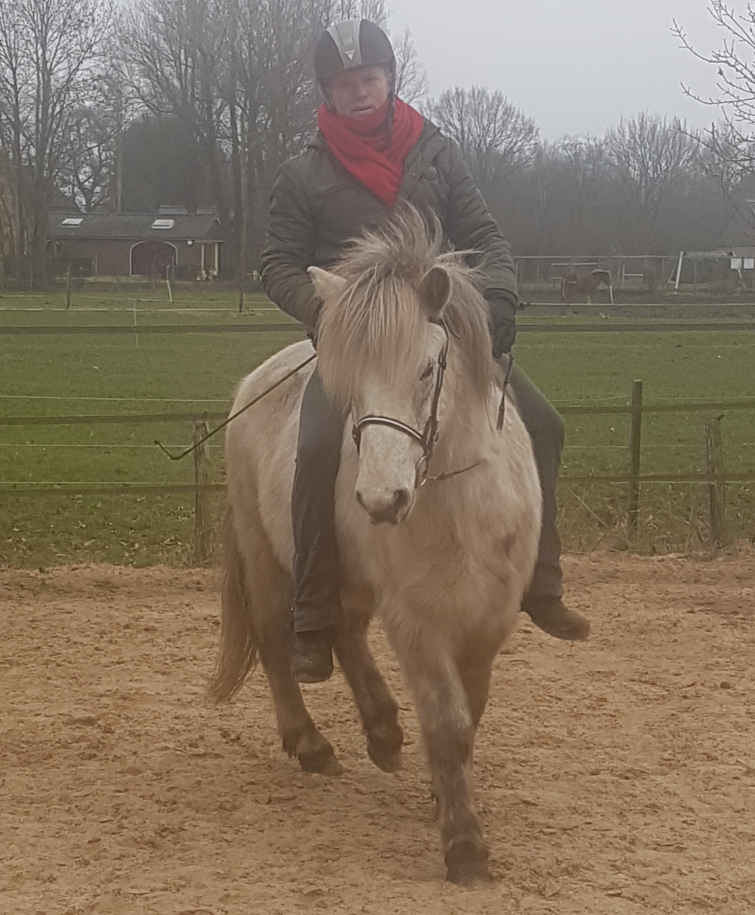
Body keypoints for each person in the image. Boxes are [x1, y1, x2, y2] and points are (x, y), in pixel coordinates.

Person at [261, 18, 590, 683]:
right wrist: (325, 317)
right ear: (328, 93)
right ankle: (314, 615)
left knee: (545, 425)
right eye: (345, 84)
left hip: (439, 338)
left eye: (370, 79)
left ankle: (540, 581)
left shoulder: (436, 154)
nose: (359, 93)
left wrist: (495, 307)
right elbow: (277, 264)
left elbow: (489, 242)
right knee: (318, 449)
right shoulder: (305, 171)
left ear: (389, 80)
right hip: (358, 347)